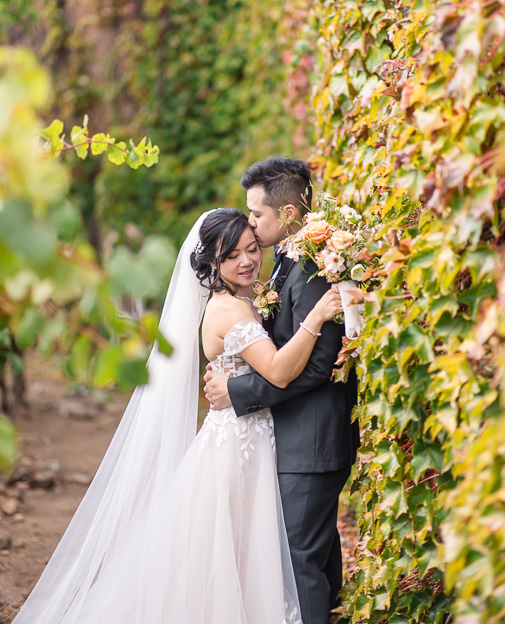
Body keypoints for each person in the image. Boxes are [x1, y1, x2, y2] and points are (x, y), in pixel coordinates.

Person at [13, 207, 343, 624]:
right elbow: (277, 370)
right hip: (238, 448)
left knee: (238, 558)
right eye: (231, 256)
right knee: (231, 558)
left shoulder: (239, 300)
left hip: (246, 437)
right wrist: (314, 317)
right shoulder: (230, 310)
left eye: (250, 249)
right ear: (211, 264)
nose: (247, 261)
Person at [205, 158, 360, 624]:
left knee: (299, 562)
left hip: (311, 441)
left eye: (256, 215)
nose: (249, 223)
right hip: (294, 437)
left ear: (288, 214)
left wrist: (238, 390)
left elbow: (316, 367)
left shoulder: (312, 269)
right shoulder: (287, 262)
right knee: (315, 557)